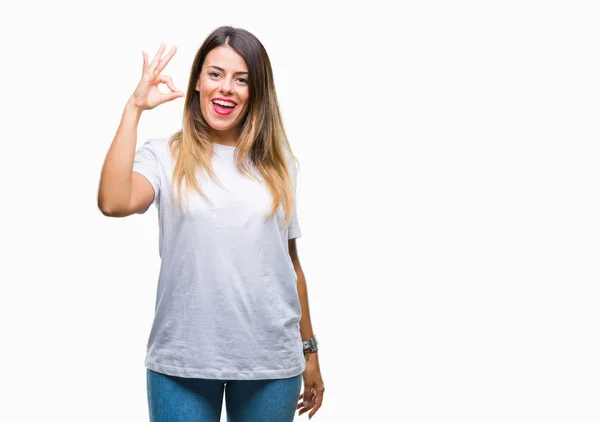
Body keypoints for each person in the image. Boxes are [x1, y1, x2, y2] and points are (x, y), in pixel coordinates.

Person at [97, 26, 325, 421]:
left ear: (257, 92)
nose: (226, 88)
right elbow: (114, 202)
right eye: (215, 74)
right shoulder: (165, 156)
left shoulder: (278, 164)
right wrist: (134, 109)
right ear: (198, 82)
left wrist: (311, 351)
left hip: (269, 363)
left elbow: (290, 265)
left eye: (242, 79)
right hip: (182, 361)